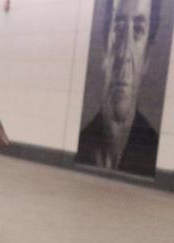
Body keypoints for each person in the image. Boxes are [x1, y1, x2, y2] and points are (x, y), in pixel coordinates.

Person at [76, 0, 161, 176]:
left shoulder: (151, 148)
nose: (124, 53)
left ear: (147, 56)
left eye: (138, 30)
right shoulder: (85, 143)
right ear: (104, 48)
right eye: (118, 28)